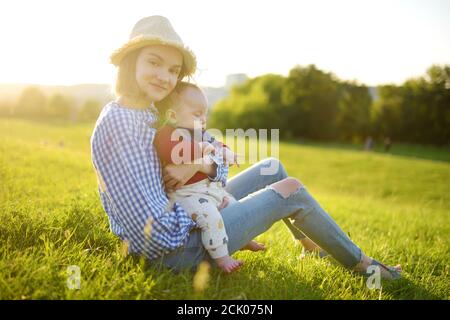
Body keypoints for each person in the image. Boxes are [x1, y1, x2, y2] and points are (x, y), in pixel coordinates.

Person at [90, 15, 402, 280]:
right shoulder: (121, 124)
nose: (165, 77)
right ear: (131, 63)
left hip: (188, 211)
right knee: (290, 189)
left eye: (173, 70)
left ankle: (313, 246)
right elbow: (154, 234)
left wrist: (198, 165)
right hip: (172, 253)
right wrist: (218, 216)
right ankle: (367, 267)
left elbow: (218, 160)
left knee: (272, 168)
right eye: (154, 63)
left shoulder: (153, 112)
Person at [153, 82, 265, 273]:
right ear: (173, 115)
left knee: (234, 205)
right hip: (186, 196)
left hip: (210, 190)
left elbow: (218, 144)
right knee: (211, 218)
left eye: (204, 114)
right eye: (197, 114)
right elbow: (174, 153)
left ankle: (243, 239)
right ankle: (222, 258)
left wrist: (226, 152)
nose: (203, 119)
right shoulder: (167, 135)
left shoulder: (201, 134)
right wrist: (203, 149)